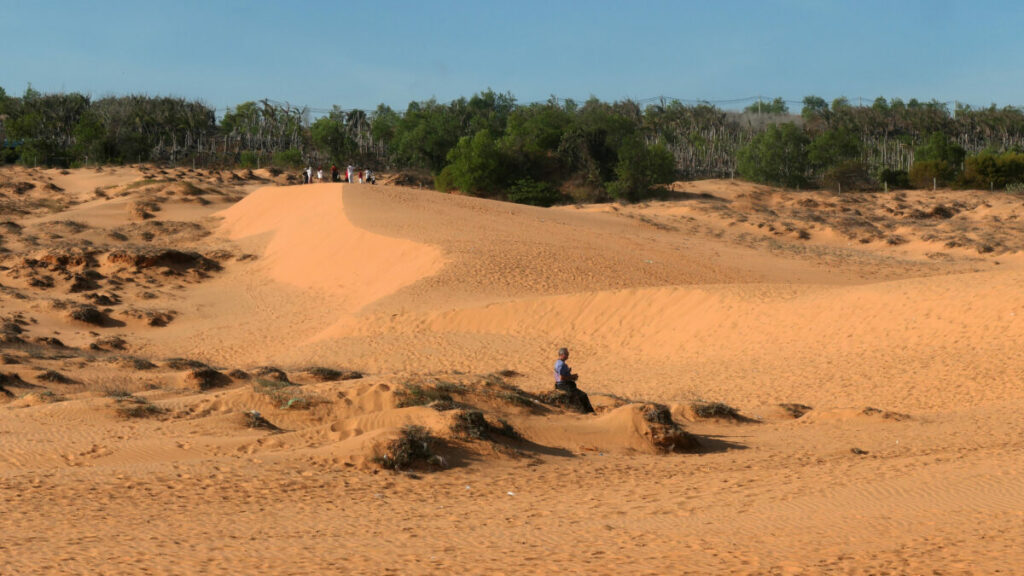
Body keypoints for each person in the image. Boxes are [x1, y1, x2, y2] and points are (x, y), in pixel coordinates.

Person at [553, 347, 594, 413]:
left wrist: (570, 374)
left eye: (568, 354)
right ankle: (590, 412)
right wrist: (572, 377)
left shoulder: (559, 362)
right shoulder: (561, 364)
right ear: (562, 354)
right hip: (563, 385)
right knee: (583, 395)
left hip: (563, 384)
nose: (568, 355)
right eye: (566, 354)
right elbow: (561, 378)